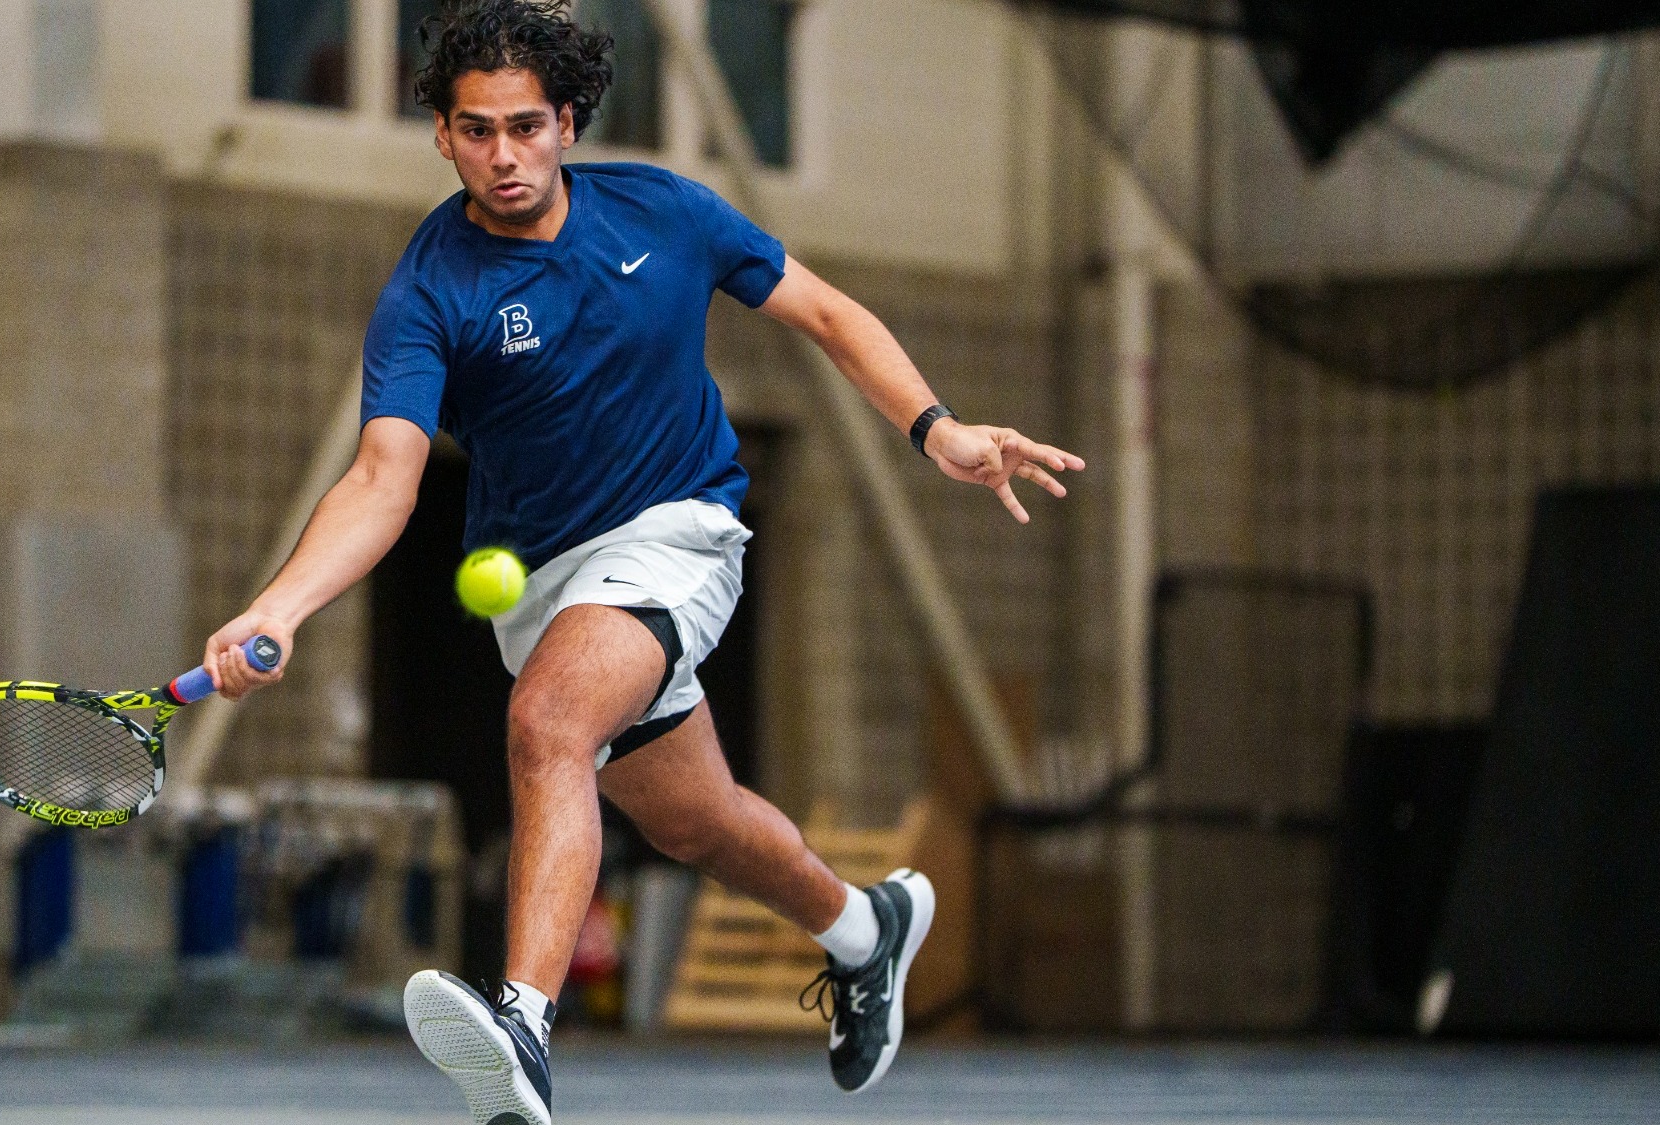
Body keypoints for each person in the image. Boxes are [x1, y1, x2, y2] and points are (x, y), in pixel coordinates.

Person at [202, 2, 1083, 1121]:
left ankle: (523, 1027)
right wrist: (278, 606)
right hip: (544, 581)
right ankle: (867, 929)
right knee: (694, 821)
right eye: (477, 131)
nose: (504, 155)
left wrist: (936, 428)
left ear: (568, 123)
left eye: (526, 126)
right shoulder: (429, 291)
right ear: (442, 135)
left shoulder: (664, 211)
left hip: (678, 529)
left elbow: (824, 313)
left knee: (547, 723)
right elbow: (384, 477)